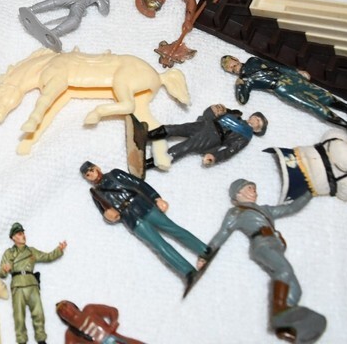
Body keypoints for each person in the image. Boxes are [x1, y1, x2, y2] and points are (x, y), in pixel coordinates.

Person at [198, 180, 324, 342]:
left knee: (295, 290)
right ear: (238, 193)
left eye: (254, 188)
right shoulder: (236, 212)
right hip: (261, 245)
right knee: (284, 271)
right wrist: (205, 255)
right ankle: (278, 314)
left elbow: (291, 208)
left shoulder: (265, 210)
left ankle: (286, 327)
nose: (254, 191)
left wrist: (309, 193)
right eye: (249, 188)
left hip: (275, 245)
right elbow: (222, 234)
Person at [81, 161, 208, 289]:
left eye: (91, 170)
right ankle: (188, 272)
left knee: (172, 228)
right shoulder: (96, 193)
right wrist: (109, 216)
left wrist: (156, 198)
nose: (91, 175)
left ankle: (203, 250)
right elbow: (104, 212)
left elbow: (139, 184)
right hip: (131, 219)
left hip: (143, 206)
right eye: (87, 175)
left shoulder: (115, 174)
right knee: (159, 245)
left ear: (97, 168)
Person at [221, 54, 347, 136]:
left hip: (289, 78)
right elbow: (242, 100)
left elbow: (276, 66)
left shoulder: (253, 60)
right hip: (281, 89)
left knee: (321, 94)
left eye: (232, 64)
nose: (232, 68)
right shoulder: (244, 81)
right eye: (229, 69)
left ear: (235, 59)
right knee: (313, 105)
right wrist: (239, 86)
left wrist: (296, 72)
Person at [132, 104, 267, 171]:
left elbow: (230, 151)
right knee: (176, 128)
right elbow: (211, 114)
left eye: (258, 123)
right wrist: (214, 110)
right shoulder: (235, 114)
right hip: (206, 124)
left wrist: (215, 157)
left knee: (184, 148)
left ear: (257, 130)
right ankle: (146, 136)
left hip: (212, 138)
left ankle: (146, 164)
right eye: (256, 118)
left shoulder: (245, 136)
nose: (255, 121)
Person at [0, 222, 66, 344]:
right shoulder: (9, 253)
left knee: (38, 313)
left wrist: (59, 250)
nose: (23, 236)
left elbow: (47, 256)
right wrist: (4, 270)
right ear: (13, 237)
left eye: (23, 233)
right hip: (17, 285)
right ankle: (21, 340)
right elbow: (1, 272)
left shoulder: (31, 251)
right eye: (20, 234)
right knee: (19, 316)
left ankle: (41, 338)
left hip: (31, 283)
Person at [55, 300, 146, 344]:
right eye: (61, 311)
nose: (65, 310)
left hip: (118, 339)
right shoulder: (70, 333)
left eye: (65, 305)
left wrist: (113, 323)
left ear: (73, 305)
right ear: (62, 318)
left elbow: (112, 311)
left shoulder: (90, 310)